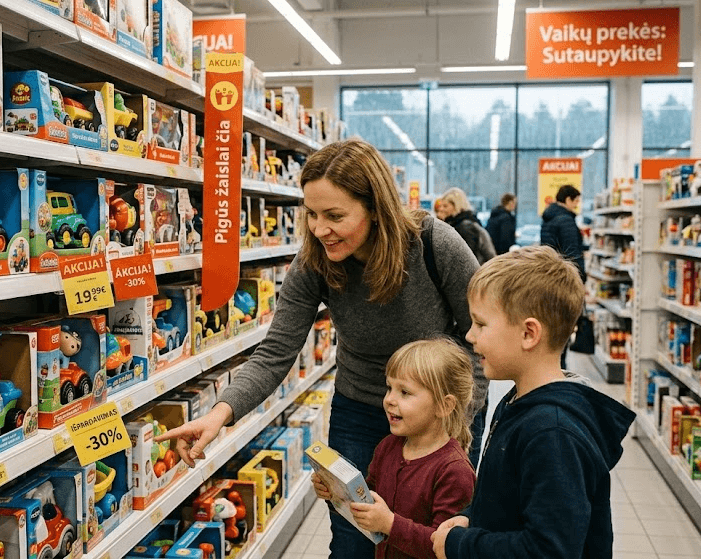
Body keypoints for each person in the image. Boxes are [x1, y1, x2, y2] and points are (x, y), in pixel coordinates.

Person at [156, 139, 484, 559]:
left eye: (335, 216)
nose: (318, 228)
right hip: (361, 410)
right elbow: (276, 350)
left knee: (427, 540)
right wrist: (219, 414)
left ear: (375, 208)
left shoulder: (434, 245)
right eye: (311, 214)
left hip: (438, 417)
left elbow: (480, 335)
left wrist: (461, 421)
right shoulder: (316, 261)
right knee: (352, 543)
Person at [430, 247, 635, 559]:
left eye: (481, 324)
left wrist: (461, 545)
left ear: (528, 333)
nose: (470, 335)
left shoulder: (552, 434)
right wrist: (472, 517)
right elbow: (510, 499)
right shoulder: (517, 402)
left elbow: (548, 550)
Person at [313, 338, 476, 559]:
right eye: (389, 388)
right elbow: (367, 500)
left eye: (405, 392)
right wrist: (336, 494)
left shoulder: (454, 472)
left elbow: (445, 548)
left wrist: (390, 524)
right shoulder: (388, 447)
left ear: (444, 405)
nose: (389, 399)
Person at [436, 188, 496, 265]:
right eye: (441, 206)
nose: (441, 209)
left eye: (445, 206)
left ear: (456, 206)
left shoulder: (465, 227)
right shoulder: (464, 222)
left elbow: (467, 258)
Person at [540, 185, 586, 281]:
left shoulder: (549, 217)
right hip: (564, 275)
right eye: (576, 201)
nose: (576, 205)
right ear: (568, 200)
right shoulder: (566, 220)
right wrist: (581, 276)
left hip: (550, 270)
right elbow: (571, 250)